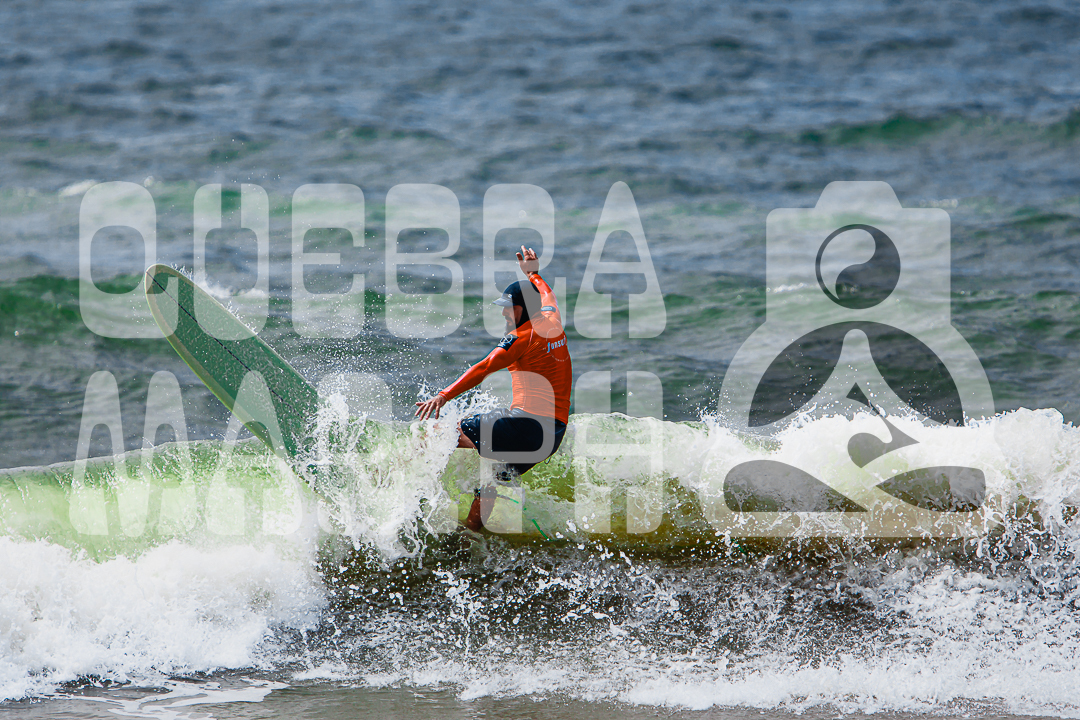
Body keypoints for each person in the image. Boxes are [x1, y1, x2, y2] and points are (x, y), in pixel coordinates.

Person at [414, 246, 572, 530]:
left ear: (524, 309)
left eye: (509, 307)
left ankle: (411, 495)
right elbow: (548, 294)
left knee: (442, 432)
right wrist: (533, 275)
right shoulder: (553, 321)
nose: (504, 313)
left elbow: (484, 367)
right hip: (552, 436)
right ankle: (471, 534)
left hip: (526, 424)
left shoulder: (521, 338)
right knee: (489, 480)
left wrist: (443, 396)